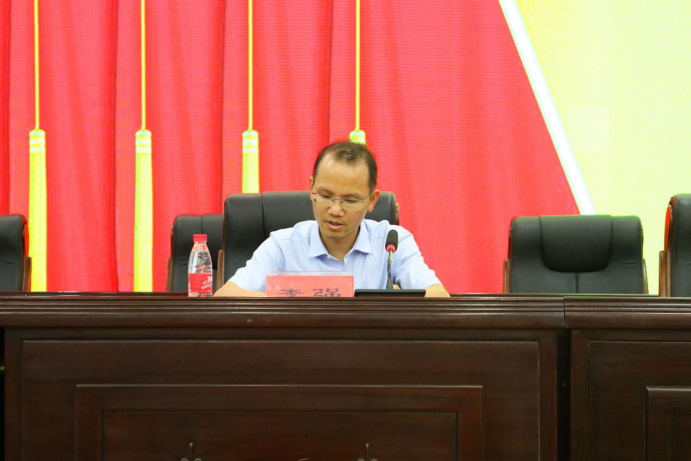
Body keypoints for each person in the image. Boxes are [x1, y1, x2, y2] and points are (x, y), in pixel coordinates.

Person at [214, 140, 450, 297]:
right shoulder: (283, 246)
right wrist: (291, 300)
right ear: (311, 188)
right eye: (325, 196)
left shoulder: (392, 243)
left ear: (372, 200)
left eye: (350, 200)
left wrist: (393, 303)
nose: (335, 210)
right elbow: (225, 296)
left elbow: (438, 297)